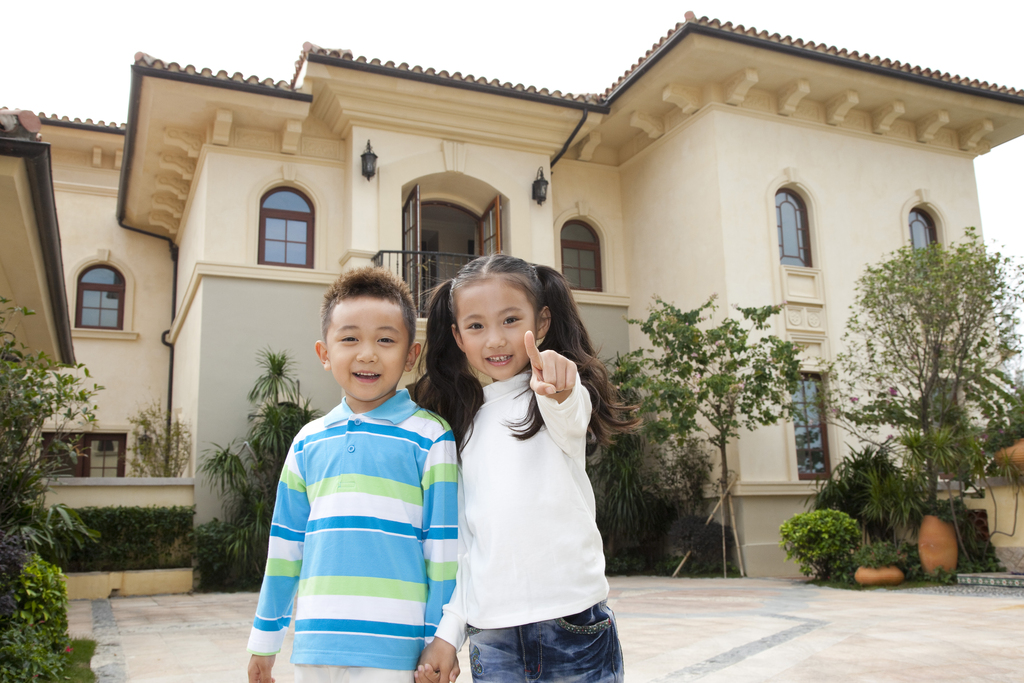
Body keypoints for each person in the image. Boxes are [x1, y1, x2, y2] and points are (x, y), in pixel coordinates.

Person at [414, 254, 638, 683]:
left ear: (544, 320)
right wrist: (448, 633)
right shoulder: (462, 425)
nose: (495, 340)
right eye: (476, 326)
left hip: (574, 625)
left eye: (511, 320)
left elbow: (570, 413)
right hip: (491, 635)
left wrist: (559, 386)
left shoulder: (555, 395)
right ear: (458, 337)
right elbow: (467, 544)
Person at [247, 267, 460, 683]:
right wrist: (265, 640)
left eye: (385, 339)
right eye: (349, 339)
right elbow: (285, 548)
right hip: (314, 649)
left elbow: (445, 553)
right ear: (324, 354)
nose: (367, 354)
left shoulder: (431, 437)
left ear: (411, 355)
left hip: (398, 653)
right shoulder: (307, 442)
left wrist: (441, 640)